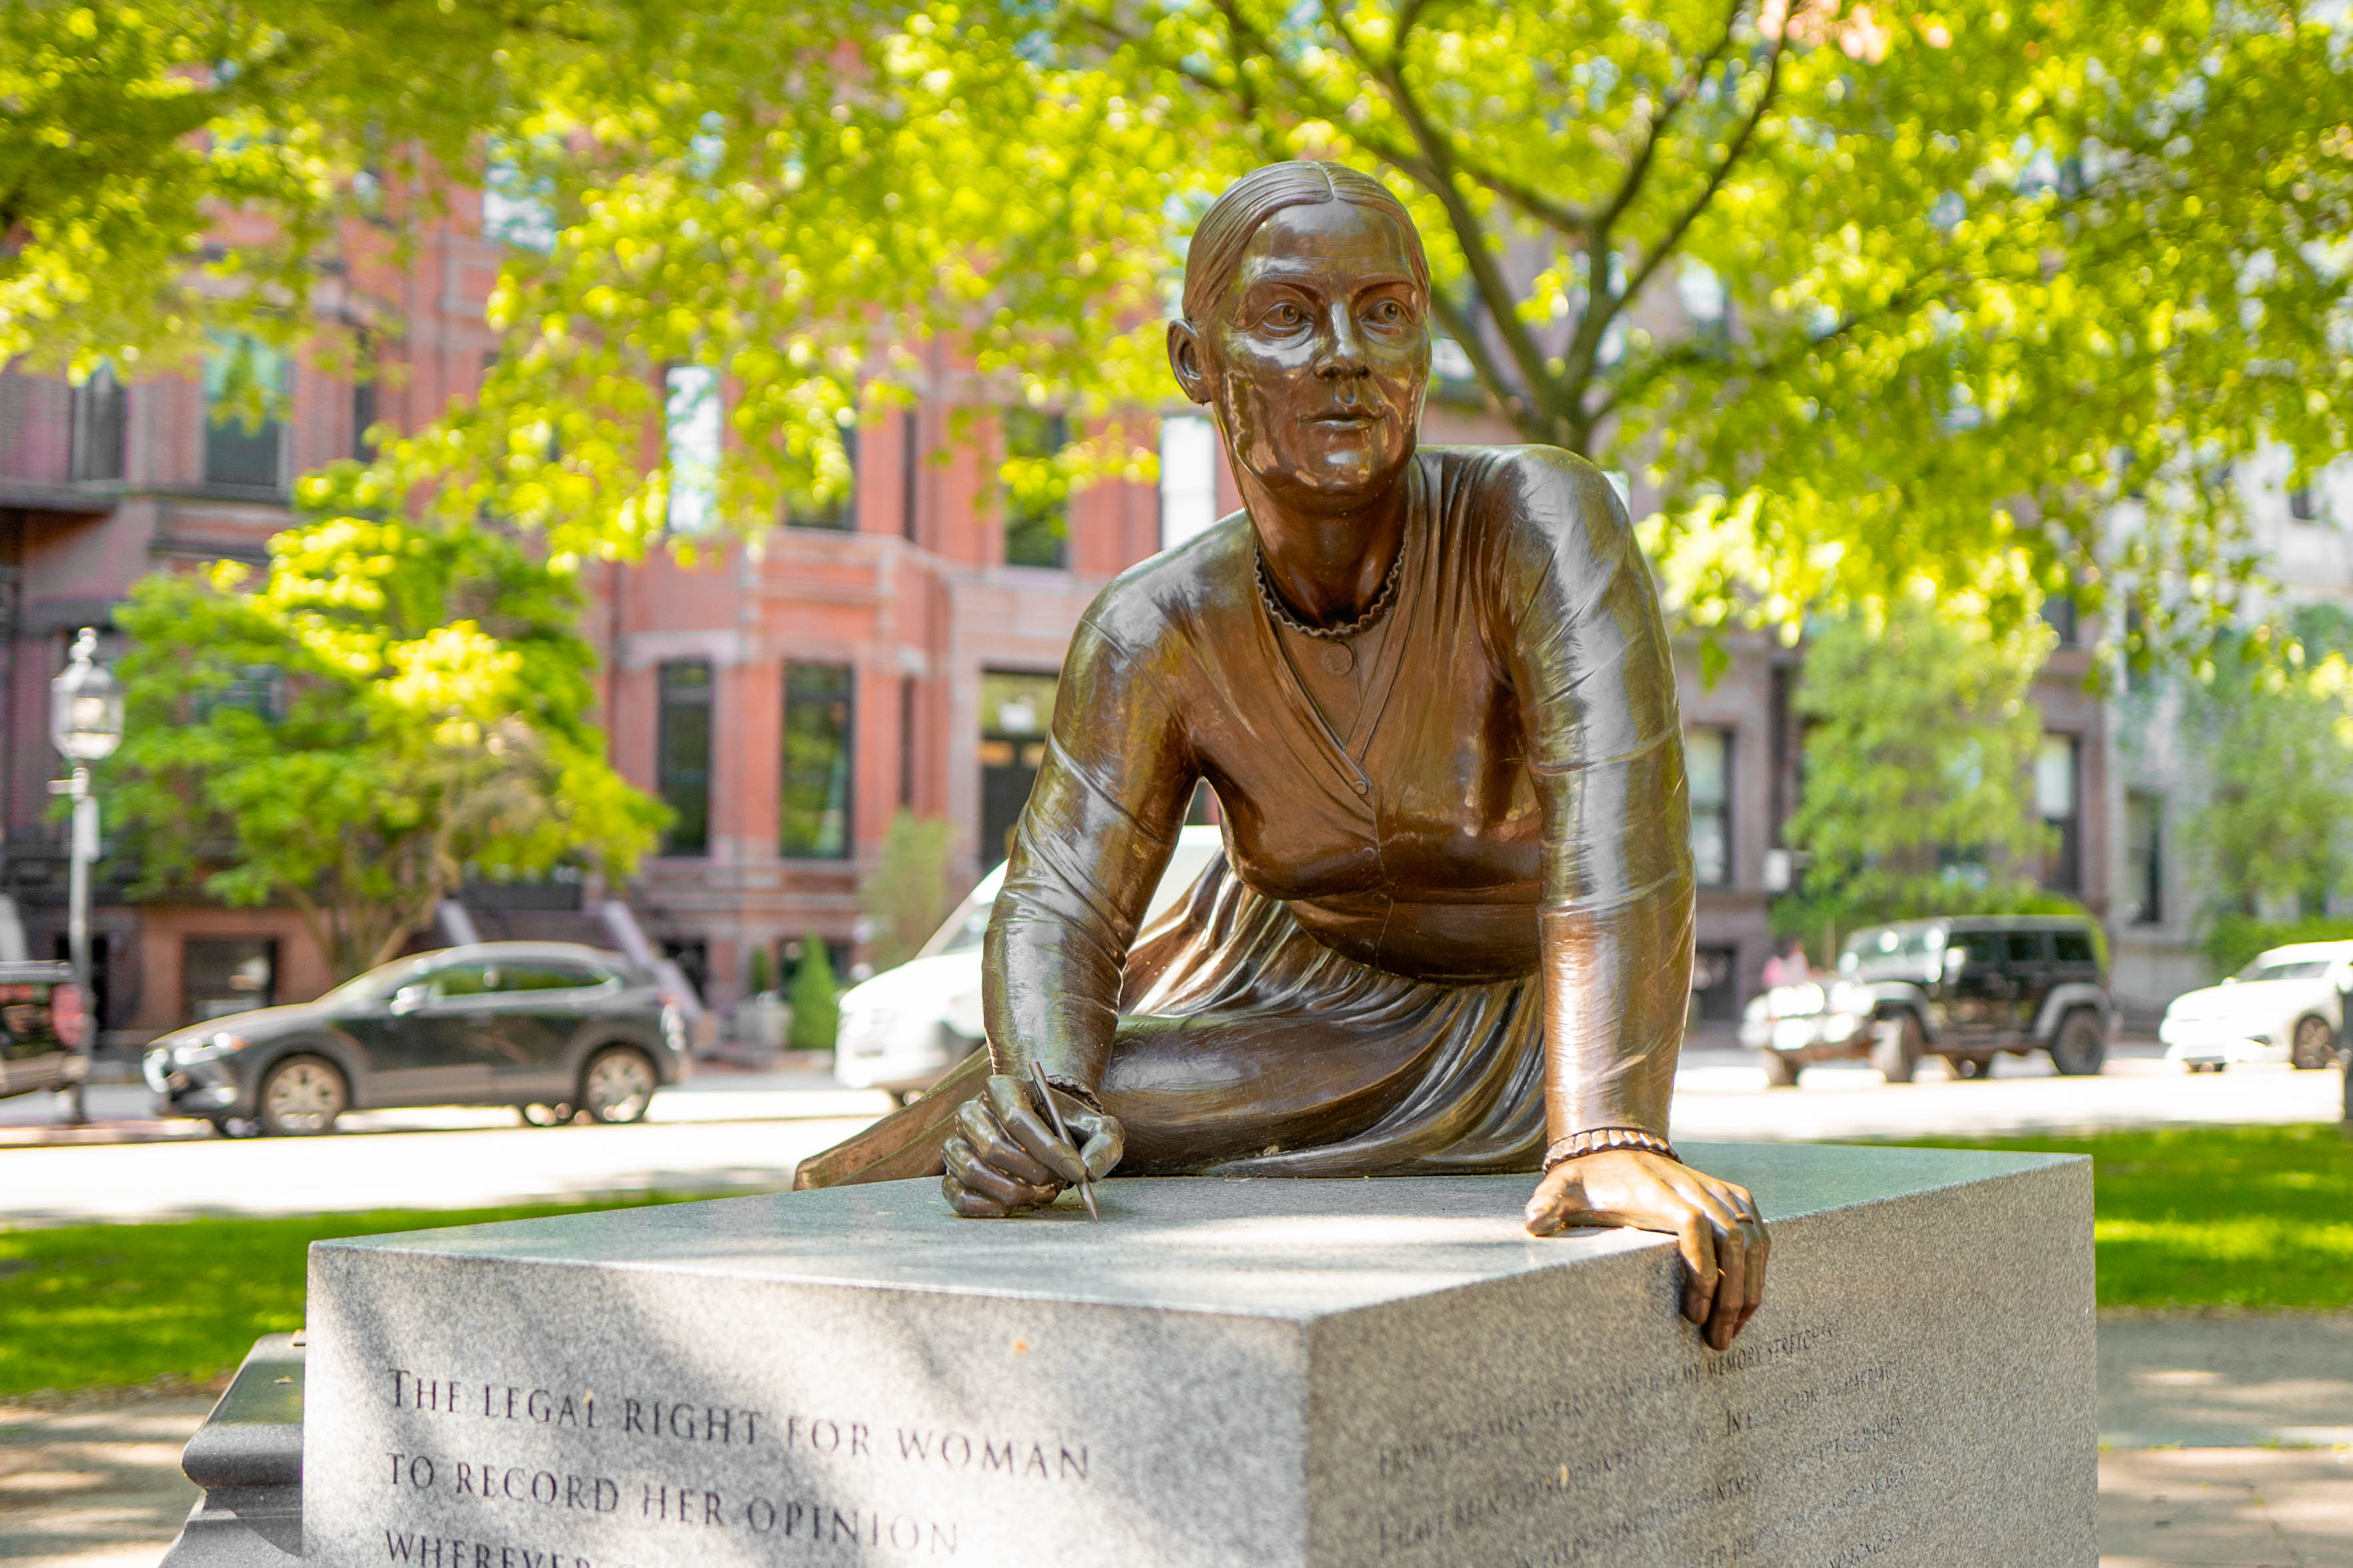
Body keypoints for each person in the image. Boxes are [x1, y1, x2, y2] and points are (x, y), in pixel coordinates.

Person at [797, 160, 1768, 1348]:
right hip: (1264, 975)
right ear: (1194, 363)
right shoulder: (1152, 625)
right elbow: (1063, 902)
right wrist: (1043, 1091)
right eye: (1286, 317)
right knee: (988, 1130)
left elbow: (1623, 824)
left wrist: (1611, 1132)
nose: (1345, 353)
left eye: (1384, 313)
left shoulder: (1536, 519)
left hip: (1504, 1015)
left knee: (1078, 1114)